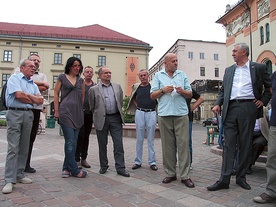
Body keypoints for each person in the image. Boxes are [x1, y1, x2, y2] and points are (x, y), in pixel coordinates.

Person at [207, 43, 271, 191]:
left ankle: (241, 178)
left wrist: (263, 101)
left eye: (235, 51)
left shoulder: (258, 68)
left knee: (245, 143)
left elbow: (269, 88)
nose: (233, 53)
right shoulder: (229, 70)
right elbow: (223, 91)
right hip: (230, 108)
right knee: (228, 144)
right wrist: (218, 103)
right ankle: (224, 180)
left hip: (249, 107)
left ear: (244, 52)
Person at [150, 53, 195, 188]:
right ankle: (170, 173)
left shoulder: (182, 75)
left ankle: (185, 176)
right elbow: (152, 95)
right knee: (167, 146)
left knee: (183, 145)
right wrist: (163, 90)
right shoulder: (158, 76)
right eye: (173, 61)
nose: (176, 63)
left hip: (181, 114)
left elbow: (190, 93)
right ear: (166, 63)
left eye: (177, 61)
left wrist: (183, 92)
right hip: (164, 114)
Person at [2, 59, 44, 194]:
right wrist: (31, 98)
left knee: (24, 146)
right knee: (13, 147)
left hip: (28, 114)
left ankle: (19, 174)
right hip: (14, 112)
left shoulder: (32, 83)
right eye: (30, 66)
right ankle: (9, 179)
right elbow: (18, 95)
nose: (33, 68)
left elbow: (40, 100)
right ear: (22, 68)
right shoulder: (14, 78)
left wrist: (27, 96)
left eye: (34, 67)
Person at [88, 66, 130, 177]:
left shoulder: (117, 87)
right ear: (100, 75)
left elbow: (120, 101)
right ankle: (103, 166)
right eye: (106, 73)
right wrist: (99, 114)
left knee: (118, 144)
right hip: (102, 119)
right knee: (102, 144)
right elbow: (92, 106)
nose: (108, 74)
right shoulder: (94, 89)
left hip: (115, 118)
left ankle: (120, 168)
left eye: (110, 72)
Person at [54, 57, 87, 178]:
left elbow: (82, 97)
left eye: (78, 65)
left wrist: (80, 110)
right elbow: (56, 93)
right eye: (74, 65)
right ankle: (74, 170)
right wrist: (57, 110)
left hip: (77, 113)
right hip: (65, 112)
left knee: (74, 142)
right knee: (70, 141)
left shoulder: (81, 80)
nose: (77, 68)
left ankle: (66, 168)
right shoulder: (62, 77)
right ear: (69, 66)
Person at [126, 69, 158, 171]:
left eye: (145, 75)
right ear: (139, 77)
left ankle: (152, 162)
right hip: (140, 112)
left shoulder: (153, 87)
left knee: (151, 139)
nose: (143, 77)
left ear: (148, 76)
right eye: (141, 75)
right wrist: (137, 105)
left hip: (151, 112)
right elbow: (133, 97)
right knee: (139, 138)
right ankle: (137, 161)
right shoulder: (136, 87)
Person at [253, 71, 276, 204]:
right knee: (272, 158)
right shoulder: (274, 76)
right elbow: (271, 91)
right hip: (274, 124)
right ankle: (271, 192)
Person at [25, 54, 49, 173]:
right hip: (25, 108)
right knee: (21, 138)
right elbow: (22, 85)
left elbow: (46, 87)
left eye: (38, 61)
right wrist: (39, 84)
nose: (36, 62)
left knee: (31, 137)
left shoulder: (43, 75)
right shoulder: (19, 71)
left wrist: (30, 84)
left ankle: (26, 163)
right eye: (34, 60)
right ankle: (18, 163)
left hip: (36, 109)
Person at [75, 66, 96, 169]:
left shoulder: (95, 86)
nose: (89, 73)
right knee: (80, 135)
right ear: (83, 74)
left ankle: (84, 158)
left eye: (90, 72)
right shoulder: (79, 84)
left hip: (90, 114)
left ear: (93, 74)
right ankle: (77, 159)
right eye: (87, 72)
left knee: (86, 136)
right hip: (80, 113)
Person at [186, 88, 204, 169]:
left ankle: (189, 163)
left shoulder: (188, 88)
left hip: (187, 117)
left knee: (188, 141)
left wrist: (192, 108)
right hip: (176, 116)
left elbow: (201, 98)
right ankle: (175, 161)